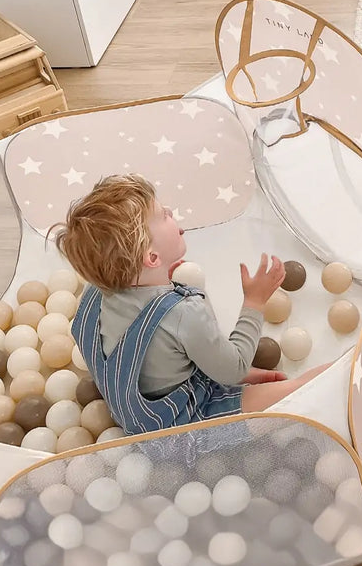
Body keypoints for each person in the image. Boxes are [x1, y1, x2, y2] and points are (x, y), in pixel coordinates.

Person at [51, 174, 329, 435]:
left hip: (132, 403)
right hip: (174, 426)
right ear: (152, 258)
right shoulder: (183, 313)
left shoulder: (95, 291)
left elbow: (149, 343)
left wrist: (159, 281)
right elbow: (233, 367)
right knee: (301, 389)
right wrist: (254, 302)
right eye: (162, 215)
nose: (170, 211)